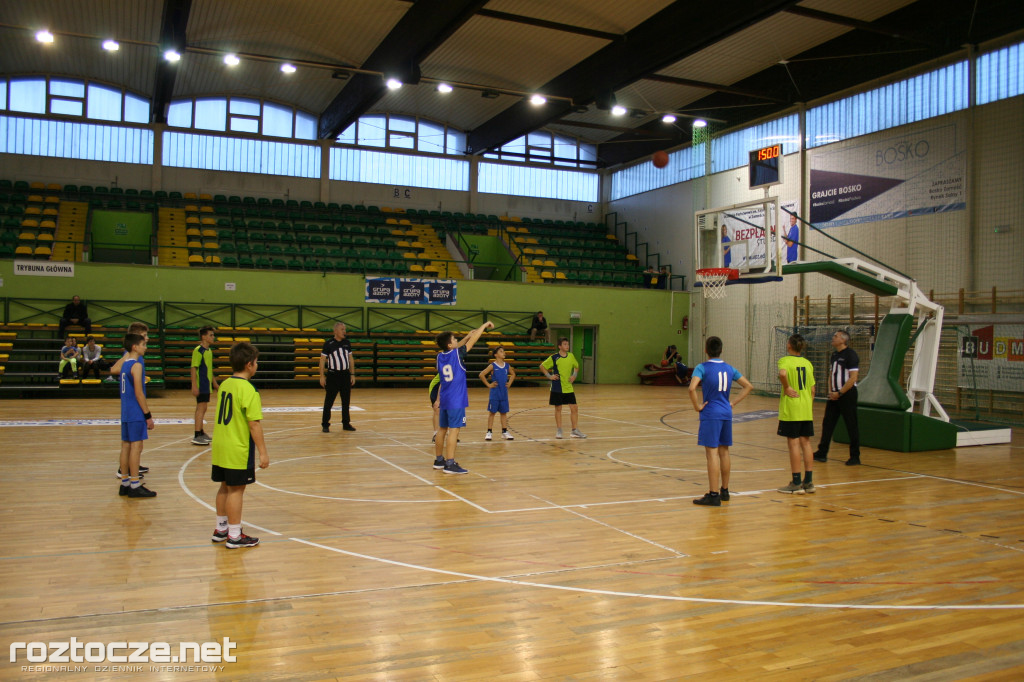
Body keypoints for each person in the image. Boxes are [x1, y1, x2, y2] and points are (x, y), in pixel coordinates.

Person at [210, 342, 270, 548]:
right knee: (237, 490)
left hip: (220, 445)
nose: (257, 365)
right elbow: (253, 424)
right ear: (249, 365)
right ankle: (235, 535)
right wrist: (263, 453)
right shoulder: (249, 389)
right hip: (237, 447)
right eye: (256, 362)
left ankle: (221, 528)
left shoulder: (225, 384)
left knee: (224, 487)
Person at [688, 336, 753, 507]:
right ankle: (725, 490)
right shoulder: (730, 368)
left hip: (711, 414)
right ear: (721, 350)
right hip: (726, 412)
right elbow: (748, 386)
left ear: (706, 350)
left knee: (712, 454)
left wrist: (697, 406)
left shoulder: (702, 367)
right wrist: (733, 402)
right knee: (725, 452)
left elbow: (692, 388)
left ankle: (713, 494)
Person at [433, 320, 494, 474]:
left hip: (445, 397)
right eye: (454, 339)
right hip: (456, 399)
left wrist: (466, 337)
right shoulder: (457, 354)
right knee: (454, 430)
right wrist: (483, 326)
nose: (456, 341)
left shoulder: (440, 357)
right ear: (450, 345)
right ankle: (450, 463)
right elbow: (473, 341)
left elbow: (457, 347)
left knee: (442, 429)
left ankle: (439, 460)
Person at [776, 333, 817, 494]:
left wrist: (786, 387)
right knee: (806, 443)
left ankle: (796, 482)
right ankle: (809, 482)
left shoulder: (785, 361)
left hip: (792, 408)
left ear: (789, 346)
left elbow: (783, 374)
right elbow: (813, 389)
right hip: (806, 408)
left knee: (793, 443)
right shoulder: (808, 363)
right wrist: (808, 403)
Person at [813, 330, 861, 466]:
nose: (833, 338)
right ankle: (822, 453)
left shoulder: (850, 355)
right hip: (833, 396)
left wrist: (840, 393)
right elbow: (831, 374)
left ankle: (855, 456)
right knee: (827, 423)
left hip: (847, 395)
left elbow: (853, 378)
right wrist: (831, 392)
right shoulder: (834, 355)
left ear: (843, 340)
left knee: (851, 424)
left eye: (836, 336)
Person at [118, 332, 156, 498]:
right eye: (143, 344)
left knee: (125, 446)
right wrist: (148, 415)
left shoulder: (125, 364)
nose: (145, 347)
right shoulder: (137, 365)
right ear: (135, 346)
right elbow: (139, 393)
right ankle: (135, 484)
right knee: (136, 447)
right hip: (135, 411)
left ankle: (125, 483)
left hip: (125, 411)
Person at [111, 322, 151, 477]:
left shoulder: (136, 357)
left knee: (130, 443)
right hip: (134, 405)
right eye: (145, 336)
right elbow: (114, 369)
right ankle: (127, 472)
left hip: (129, 406)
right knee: (134, 443)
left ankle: (132, 467)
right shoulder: (130, 357)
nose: (147, 339)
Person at [540, 337, 586, 439]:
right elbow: (542, 366)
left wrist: (574, 375)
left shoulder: (571, 356)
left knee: (574, 408)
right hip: (557, 387)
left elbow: (576, 366)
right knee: (558, 409)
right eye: (565, 344)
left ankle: (574, 430)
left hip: (568, 387)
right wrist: (549, 376)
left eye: (568, 344)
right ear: (559, 346)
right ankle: (559, 430)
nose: (567, 346)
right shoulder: (554, 357)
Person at [319, 322, 356, 433]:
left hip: (345, 375)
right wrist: (321, 376)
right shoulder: (328, 344)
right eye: (342, 329)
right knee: (329, 402)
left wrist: (352, 374)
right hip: (333, 376)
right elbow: (322, 360)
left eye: (344, 329)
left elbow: (350, 359)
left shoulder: (347, 343)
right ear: (335, 331)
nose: (344, 331)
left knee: (346, 402)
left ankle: (346, 423)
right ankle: (325, 424)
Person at [479, 346, 516, 441]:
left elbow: (513, 374)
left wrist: (510, 383)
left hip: (504, 393)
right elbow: (481, 374)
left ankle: (504, 432)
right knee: (492, 413)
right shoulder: (493, 365)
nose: (504, 353)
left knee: (503, 413)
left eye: (504, 351)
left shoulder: (507, 365)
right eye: (501, 351)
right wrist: (488, 385)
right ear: (496, 354)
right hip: (495, 394)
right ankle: (489, 432)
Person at [190, 326, 219, 445]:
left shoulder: (209, 351)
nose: (213, 337)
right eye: (211, 335)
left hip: (206, 385)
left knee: (204, 407)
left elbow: (209, 369)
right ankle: (197, 434)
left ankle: (201, 431)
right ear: (204, 337)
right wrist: (194, 385)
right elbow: (193, 368)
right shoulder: (198, 350)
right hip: (201, 384)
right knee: (201, 408)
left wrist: (215, 384)